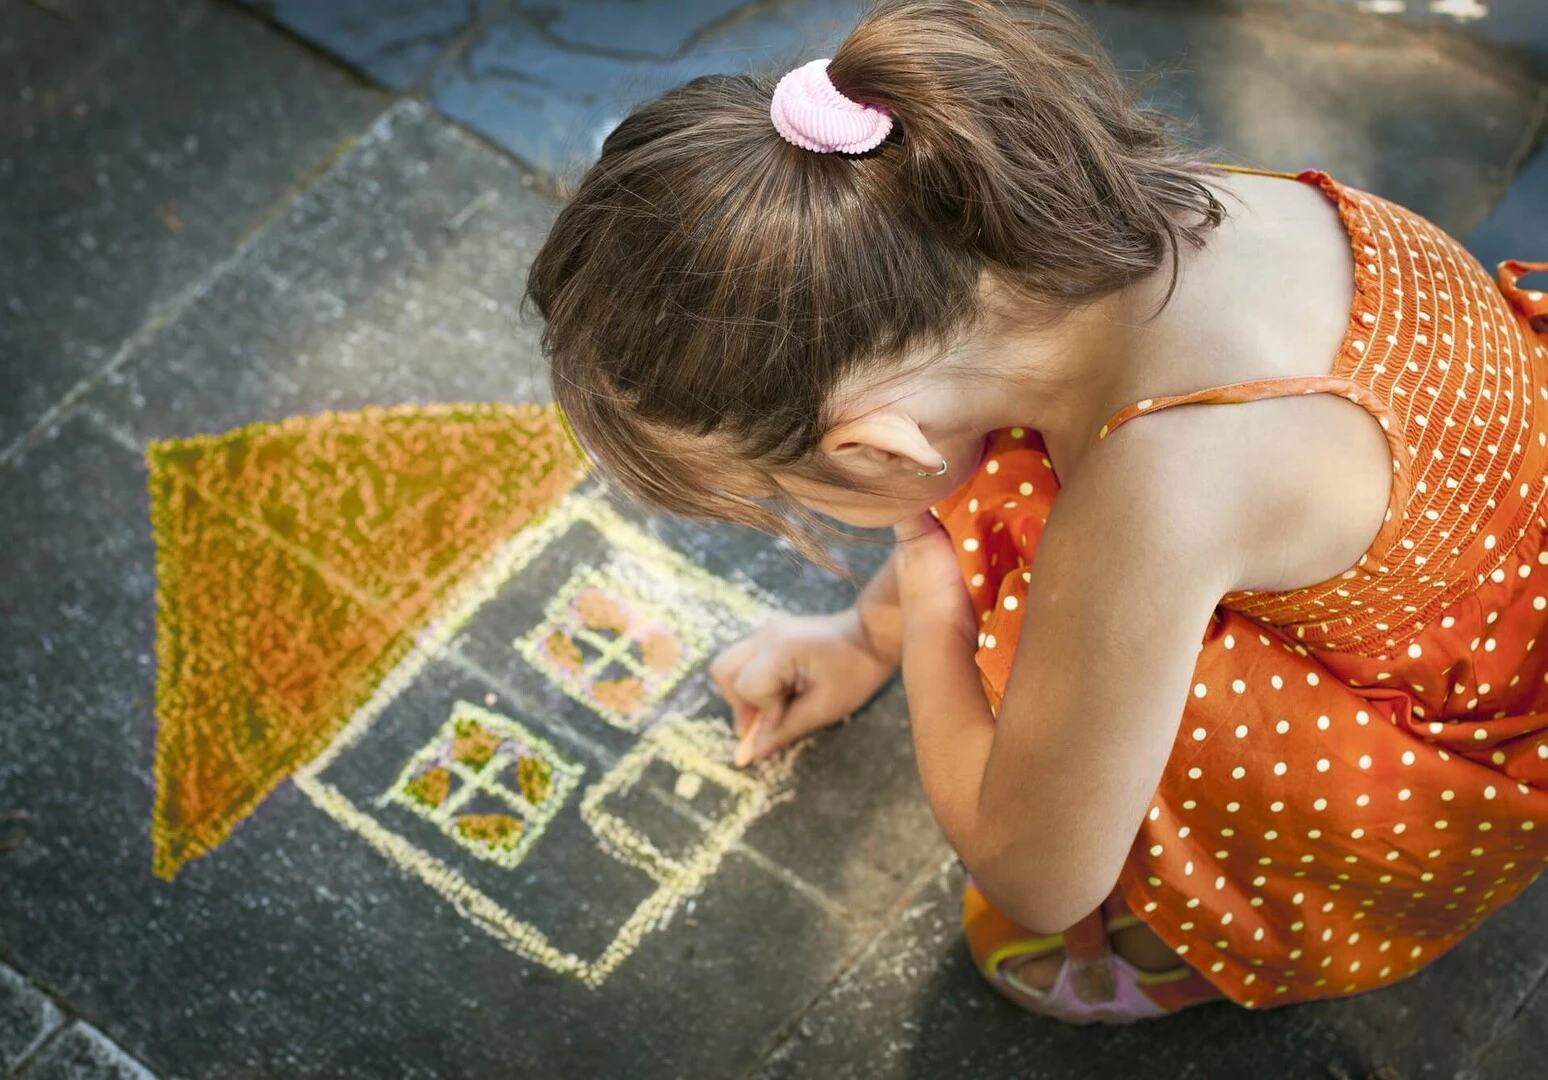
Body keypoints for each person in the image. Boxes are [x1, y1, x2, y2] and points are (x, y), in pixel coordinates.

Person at [526, 0, 1548, 1023]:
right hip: (1487, 562)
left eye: (780, 491)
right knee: (1002, 468)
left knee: (1034, 579)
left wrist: (932, 607)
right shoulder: (1094, 237)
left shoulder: (1160, 483)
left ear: (871, 446)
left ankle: (1239, 925)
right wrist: (861, 640)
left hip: (1458, 741)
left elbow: (1038, 875)